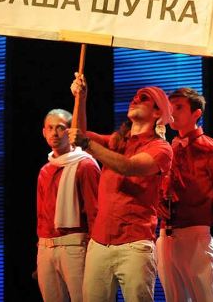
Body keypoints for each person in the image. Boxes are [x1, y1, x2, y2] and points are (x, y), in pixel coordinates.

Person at [68, 74, 173, 302]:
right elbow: (79, 136)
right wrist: (80, 99)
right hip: (100, 243)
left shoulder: (161, 148)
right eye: (135, 97)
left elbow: (128, 167)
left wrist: (86, 143)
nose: (135, 99)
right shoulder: (116, 141)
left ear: (157, 112)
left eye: (143, 98)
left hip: (134, 246)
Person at [156, 87, 213, 302]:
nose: (172, 112)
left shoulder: (211, 149)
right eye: (170, 107)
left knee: (205, 297)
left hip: (195, 234)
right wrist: (158, 204)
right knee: (173, 297)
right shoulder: (169, 148)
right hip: (165, 234)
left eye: (179, 107)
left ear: (196, 114)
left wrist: (199, 219)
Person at [36, 108, 100, 302]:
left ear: (70, 131)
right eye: (50, 128)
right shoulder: (45, 170)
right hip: (46, 248)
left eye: (60, 128)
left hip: (75, 246)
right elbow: (41, 216)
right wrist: (41, 252)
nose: (54, 133)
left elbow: (95, 213)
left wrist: (95, 254)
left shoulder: (85, 165)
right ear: (44, 132)